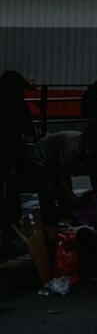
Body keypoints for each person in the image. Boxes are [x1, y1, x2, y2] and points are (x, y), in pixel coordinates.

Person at [0, 70, 34, 251]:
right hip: (13, 153)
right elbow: (29, 130)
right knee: (12, 193)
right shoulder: (19, 106)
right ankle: (10, 230)